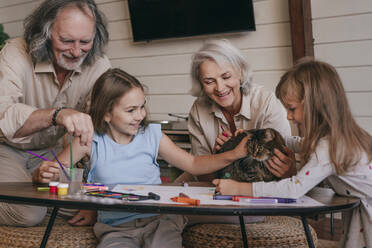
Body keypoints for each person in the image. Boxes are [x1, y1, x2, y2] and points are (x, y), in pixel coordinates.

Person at [39, 68, 249, 248]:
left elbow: (193, 164)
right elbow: (54, 174)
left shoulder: (152, 135)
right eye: (131, 110)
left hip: (159, 220)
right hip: (114, 228)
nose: (140, 115)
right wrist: (44, 174)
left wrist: (232, 154)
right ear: (106, 114)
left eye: (142, 106)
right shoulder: (89, 140)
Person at [213, 58, 372, 248]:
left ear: (315, 105)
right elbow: (298, 143)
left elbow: (293, 189)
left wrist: (238, 189)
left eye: (292, 108)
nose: (288, 116)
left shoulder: (328, 148)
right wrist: (254, 135)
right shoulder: (338, 137)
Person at [0, 0, 111, 226]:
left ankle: (39, 196)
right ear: (46, 32)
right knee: (28, 214)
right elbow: (2, 114)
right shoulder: (15, 52)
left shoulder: (99, 65)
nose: (76, 51)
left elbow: (102, 131)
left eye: (85, 41)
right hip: (6, 148)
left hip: (51, 154)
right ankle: (36, 201)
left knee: (97, 206)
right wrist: (57, 114)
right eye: (67, 40)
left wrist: (92, 202)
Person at [177, 38, 295, 185]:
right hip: (211, 183)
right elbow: (203, 175)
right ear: (200, 83)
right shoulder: (198, 110)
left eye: (226, 77)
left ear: (240, 72)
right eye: (209, 81)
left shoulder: (266, 102)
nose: (220, 88)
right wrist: (219, 157)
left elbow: (281, 170)